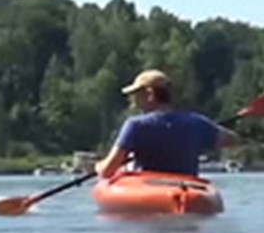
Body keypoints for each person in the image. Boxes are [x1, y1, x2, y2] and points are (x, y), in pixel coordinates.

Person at [96, 69, 240, 179]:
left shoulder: (135, 125)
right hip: (186, 186)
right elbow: (233, 140)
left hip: (150, 189)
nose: (133, 101)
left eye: (137, 95)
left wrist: (97, 167)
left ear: (150, 94)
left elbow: (107, 170)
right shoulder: (197, 122)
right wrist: (205, 134)